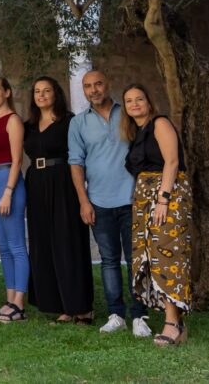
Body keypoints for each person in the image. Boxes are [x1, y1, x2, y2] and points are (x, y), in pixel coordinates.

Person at [68, 70, 151, 337]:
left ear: (108, 85)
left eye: (98, 84)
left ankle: (140, 315)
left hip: (132, 199)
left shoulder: (126, 113)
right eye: (88, 86)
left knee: (136, 260)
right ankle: (116, 314)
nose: (94, 90)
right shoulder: (78, 123)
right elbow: (76, 163)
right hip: (98, 202)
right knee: (109, 260)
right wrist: (84, 201)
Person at [121, 84, 193, 347]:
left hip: (167, 196)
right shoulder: (137, 133)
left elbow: (172, 162)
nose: (134, 104)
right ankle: (173, 319)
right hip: (144, 199)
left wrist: (163, 199)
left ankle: (173, 323)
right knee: (150, 257)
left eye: (139, 99)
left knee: (168, 255)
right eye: (129, 101)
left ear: (149, 103)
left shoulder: (160, 123)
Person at [24, 76, 94, 324]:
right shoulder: (29, 125)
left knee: (69, 241)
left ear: (56, 94)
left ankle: (82, 307)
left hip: (63, 181)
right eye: (37, 91)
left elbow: (78, 155)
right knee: (43, 242)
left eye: (47, 91)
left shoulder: (69, 121)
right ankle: (60, 305)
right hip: (36, 183)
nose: (41, 95)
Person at [0, 77, 29, 323]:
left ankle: (19, 305)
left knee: (17, 246)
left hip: (7, 180)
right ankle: (10, 300)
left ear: (7, 92)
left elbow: (17, 159)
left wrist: (8, 191)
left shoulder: (13, 121)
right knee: (3, 246)